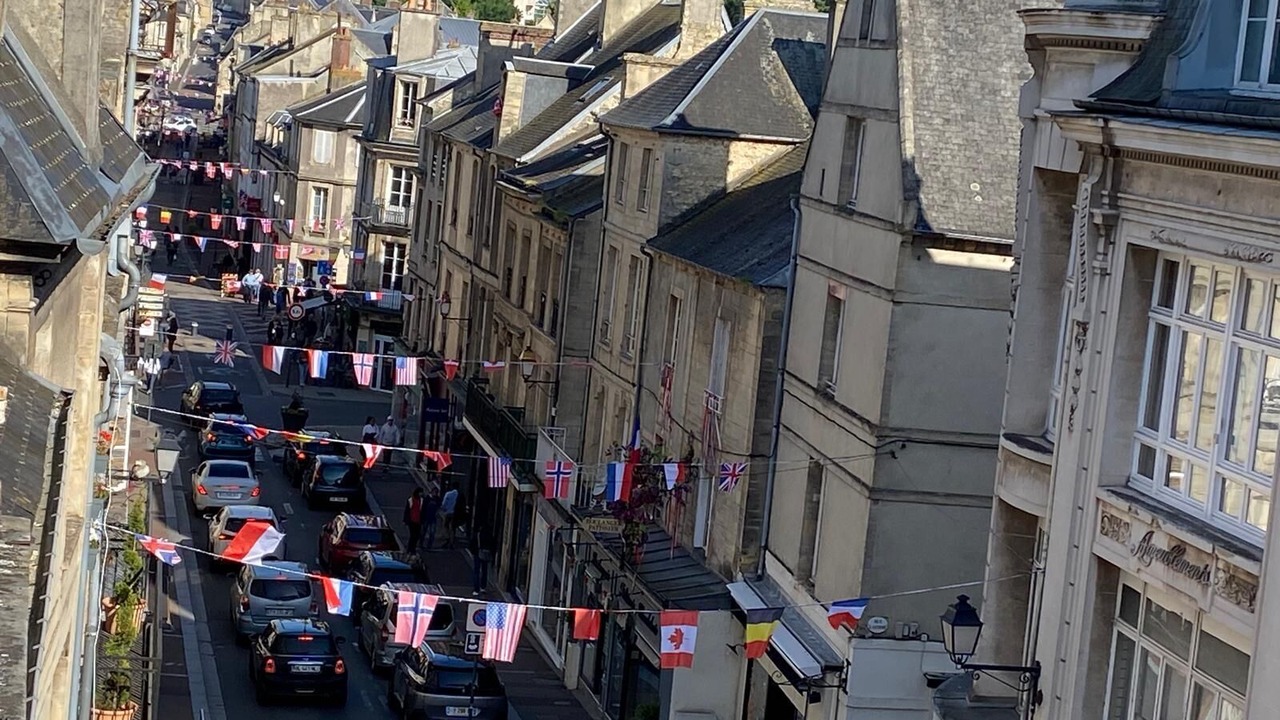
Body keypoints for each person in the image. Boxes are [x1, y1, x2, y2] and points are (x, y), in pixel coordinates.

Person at [470, 525, 493, 595]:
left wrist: (473, 552)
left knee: (476, 571)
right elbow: (492, 544)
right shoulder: (489, 535)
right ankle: (483, 587)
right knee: (484, 570)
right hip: (485, 554)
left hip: (477, 553)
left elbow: (472, 544)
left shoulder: (477, 535)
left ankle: (476, 589)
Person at [439, 483, 458, 548]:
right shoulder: (459, 495)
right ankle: (452, 541)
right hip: (455, 513)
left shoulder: (448, 494)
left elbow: (444, 504)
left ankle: (447, 538)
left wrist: (443, 508)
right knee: (452, 527)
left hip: (448, 512)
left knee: (445, 526)